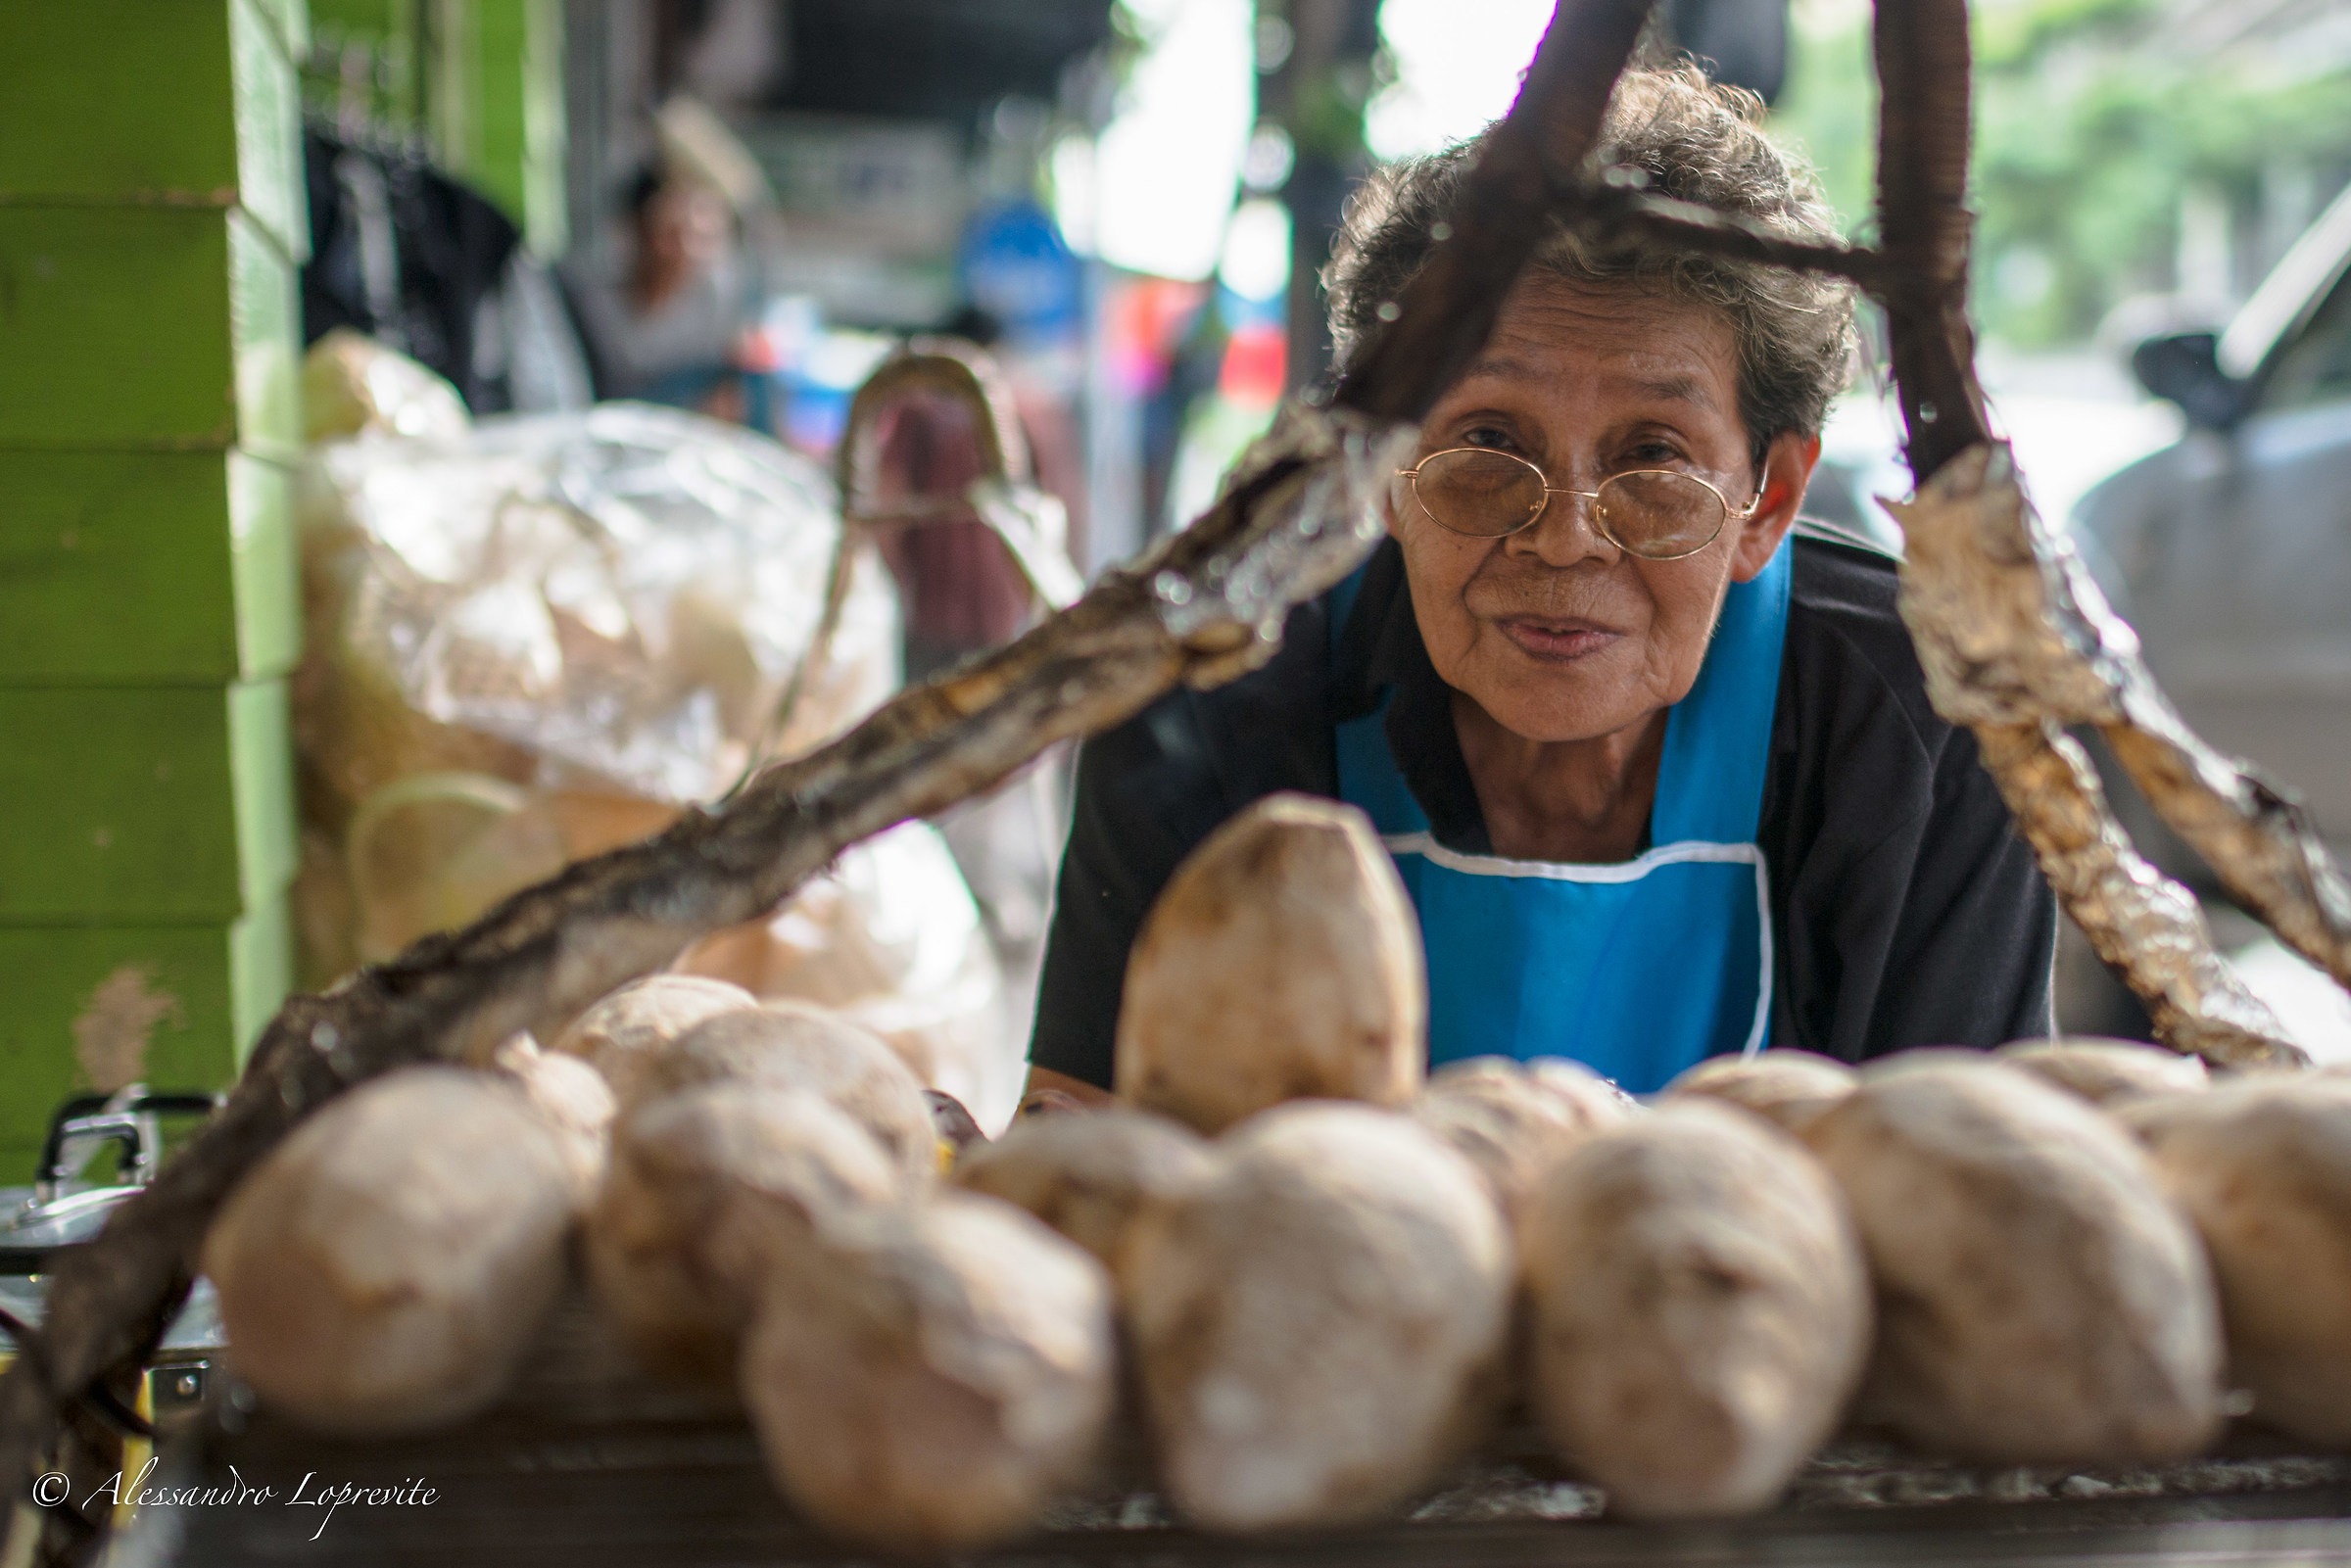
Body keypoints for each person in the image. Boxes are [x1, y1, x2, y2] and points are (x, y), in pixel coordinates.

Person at [1025, 67, 2057, 1105]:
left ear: (1770, 499)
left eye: (1654, 458)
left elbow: (1970, 1188)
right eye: (1486, 442)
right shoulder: (1211, 695)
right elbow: (1083, 1153)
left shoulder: (1929, 723)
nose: (1564, 541)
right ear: (1383, 467)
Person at [569, 167, 755, 417]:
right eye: (670, 235)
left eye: (699, 237)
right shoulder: (591, 305)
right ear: (639, 231)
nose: (685, 250)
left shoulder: (716, 306)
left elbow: (727, 404)